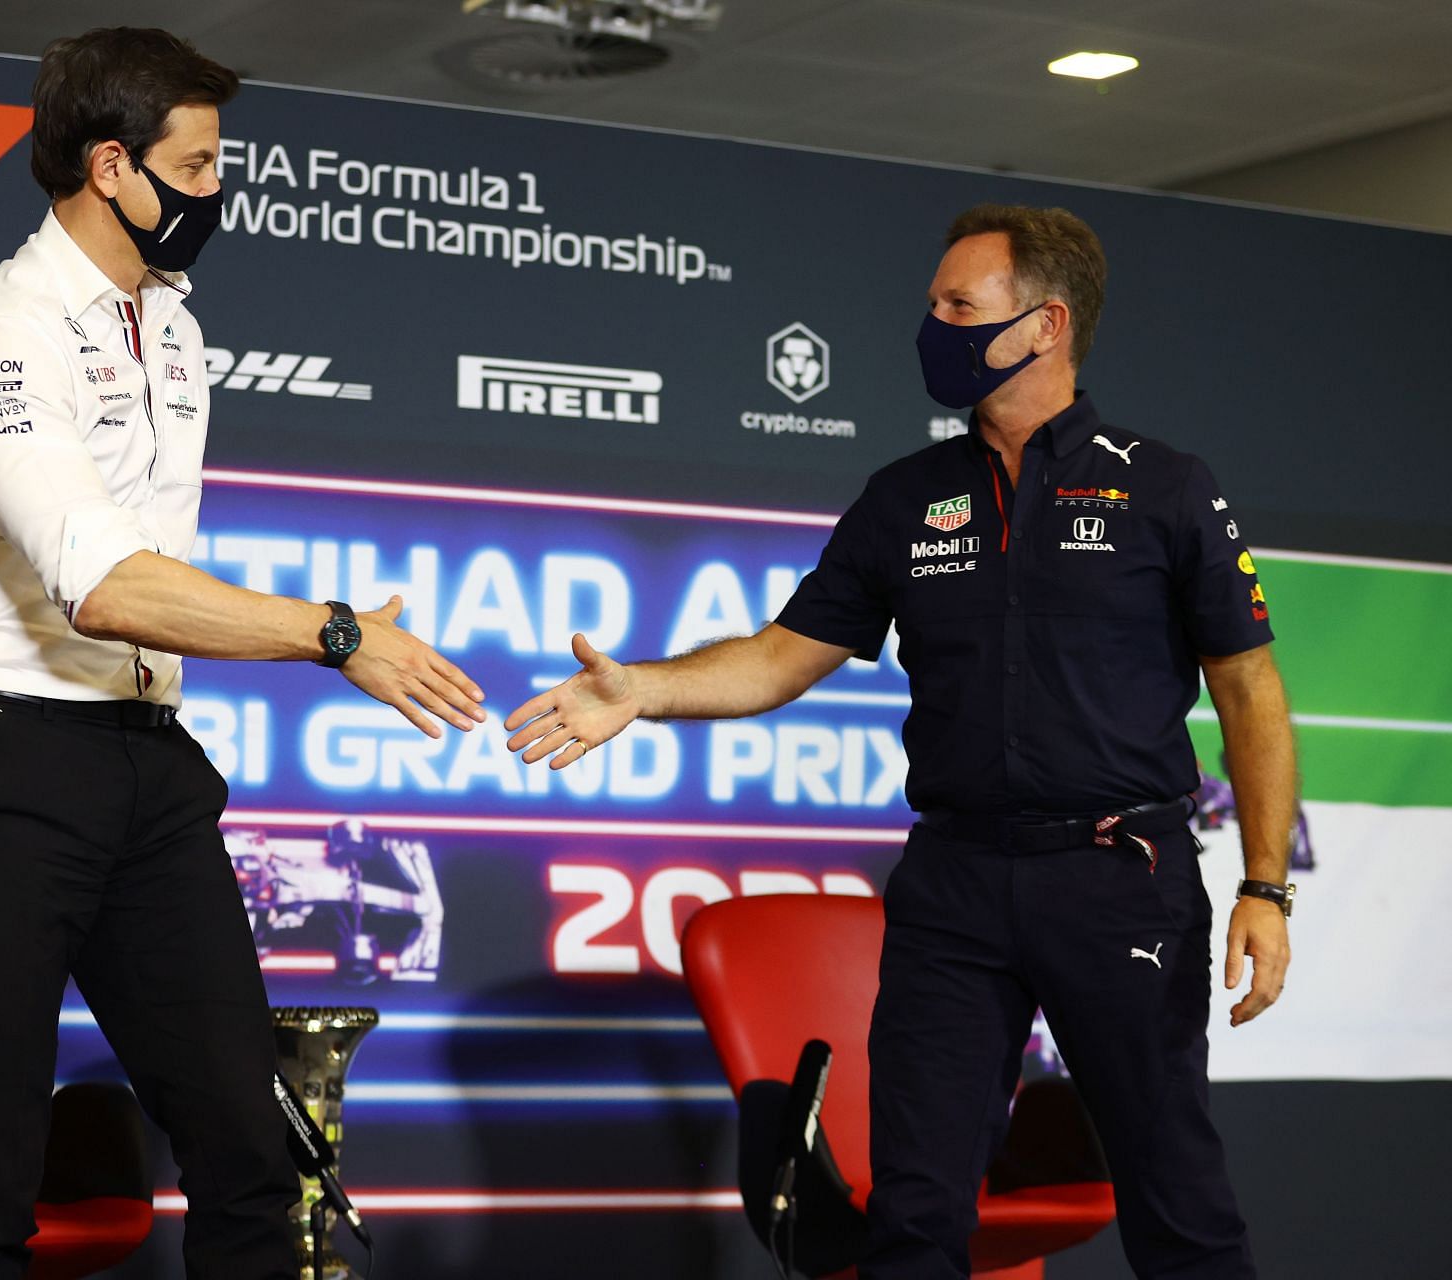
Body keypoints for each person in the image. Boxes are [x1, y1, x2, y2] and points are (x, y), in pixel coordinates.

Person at [507, 204, 1295, 1279]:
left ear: (1045, 326)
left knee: (1178, 1201)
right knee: (916, 1211)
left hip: (1120, 876)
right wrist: (641, 689)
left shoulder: (1165, 485)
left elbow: (1249, 690)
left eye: (957, 307)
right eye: (933, 304)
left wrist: (1266, 887)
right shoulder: (904, 498)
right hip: (956, 885)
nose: (932, 325)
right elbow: (782, 655)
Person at [0, 28, 485, 1279]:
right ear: (111, 166)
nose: (223, 191)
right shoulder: (5, 326)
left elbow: (145, 587)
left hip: (147, 762)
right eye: (202, 165)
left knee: (247, 1147)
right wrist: (334, 635)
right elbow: (104, 587)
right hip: (4, 762)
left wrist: (322, 636)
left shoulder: (169, 325)